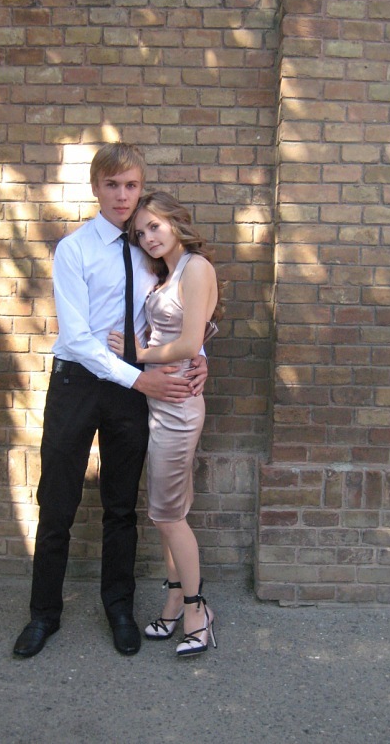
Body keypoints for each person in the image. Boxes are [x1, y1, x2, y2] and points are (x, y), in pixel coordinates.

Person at [13, 143, 208, 659]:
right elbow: (77, 339)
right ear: (96, 188)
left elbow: (181, 310)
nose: (123, 196)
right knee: (57, 503)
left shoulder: (151, 248)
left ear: (141, 188)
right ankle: (43, 614)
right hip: (78, 385)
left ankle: (119, 608)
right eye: (113, 185)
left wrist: (199, 355)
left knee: (121, 505)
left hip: (129, 391)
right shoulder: (74, 249)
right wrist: (140, 380)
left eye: (131, 186)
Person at [108, 191, 223, 657]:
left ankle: (197, 611)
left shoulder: (196, 268)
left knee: (169, 515)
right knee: (165, 513)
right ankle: (175, 599)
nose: (148, 238)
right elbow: (187, 337)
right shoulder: (166, 274)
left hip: (178, 406)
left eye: (155, 226)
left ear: (176, 221)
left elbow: (190, 341)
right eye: (140, 233)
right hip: (159, 404)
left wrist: (135, 354)